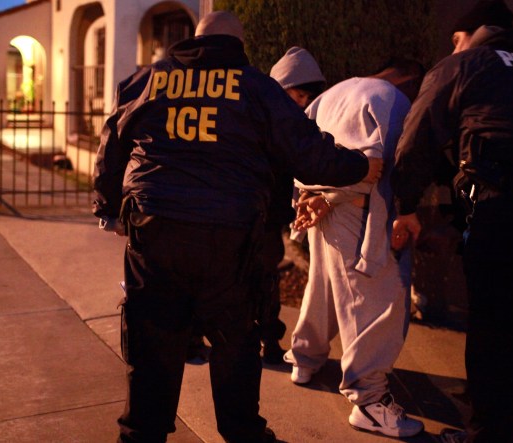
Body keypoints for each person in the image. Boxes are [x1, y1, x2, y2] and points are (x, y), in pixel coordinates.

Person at [93, 11, 381, 443]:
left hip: (155, 230)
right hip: (228, 236)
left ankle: (140, 435)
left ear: (194, 40)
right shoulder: (256, 88)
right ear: (238, 45)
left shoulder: (145, 81)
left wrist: (109, 208)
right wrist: (362, 165)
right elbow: (309, 152)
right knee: (234, 342)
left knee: (153, 339)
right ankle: (243, 433)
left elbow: (112, 142)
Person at [390, 1, 513, 442]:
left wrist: (405, 206)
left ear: (471, 34)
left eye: (455, 40)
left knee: (492, 328)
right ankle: (505, 427)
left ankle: (483, 434)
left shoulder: (467, 63)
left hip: (506, 213)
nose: (452, 47)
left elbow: (417, 137)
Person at [283, 57, 426, 438]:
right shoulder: (393, 100)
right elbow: (379, 164)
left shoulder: (329, 95)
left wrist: (313, 197)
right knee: (379, 303)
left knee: (324, 287)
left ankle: (305, 359)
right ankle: (369, 401)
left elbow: (299, 150)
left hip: (320, 207)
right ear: (407, 77)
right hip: (360, 213)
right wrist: (332, 197)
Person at [187, 46, 327, 365]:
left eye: (307, 97)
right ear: (281, 87)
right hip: (231, 215)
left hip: (265, 219)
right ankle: (197, 337)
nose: (302, 103)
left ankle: (268, 340)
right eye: (297, 94)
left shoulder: (290, 124)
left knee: (265, 282)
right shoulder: (246, 112)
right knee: (216, 279)